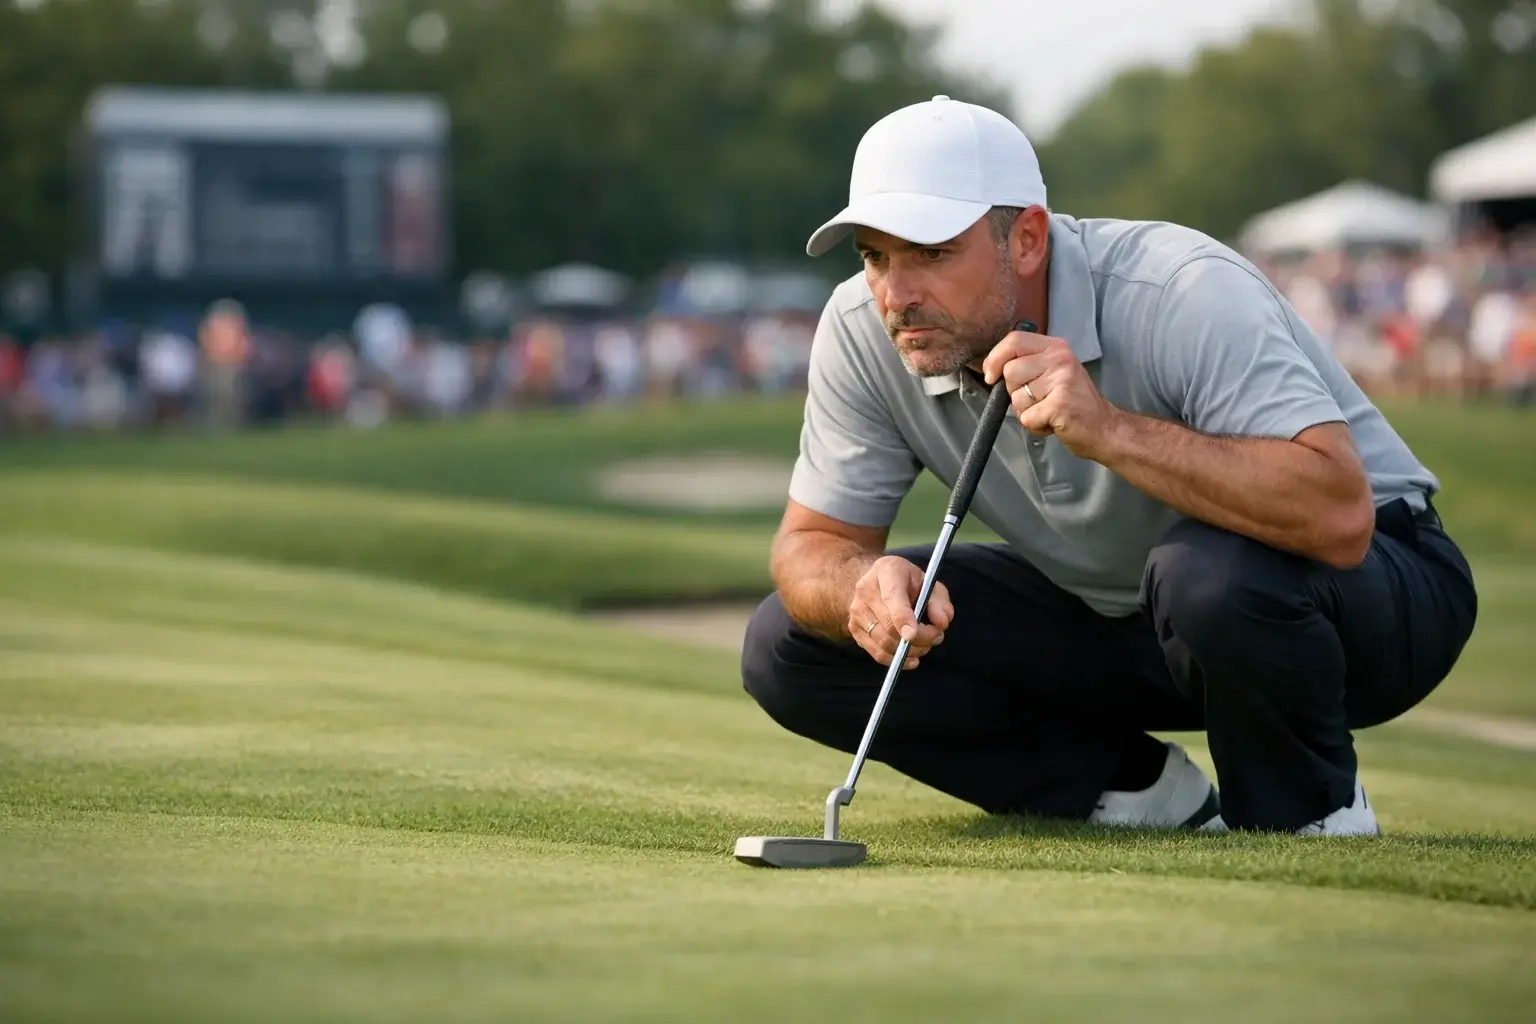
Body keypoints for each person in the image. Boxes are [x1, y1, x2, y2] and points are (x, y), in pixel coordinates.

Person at [739, 96, 1478, 835]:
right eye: (875, 257)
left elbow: (1340, 516)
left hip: (1361, 599)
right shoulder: (860, 329)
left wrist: (1112, 430)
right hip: (1121, 616)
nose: (896, 295)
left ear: (1028, 239)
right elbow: (812, 544)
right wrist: (860, 588)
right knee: (790, 643)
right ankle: (1134, 790)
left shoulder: (1180, 287)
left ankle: (1308, 812)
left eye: (932, 253)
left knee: (1204, 575)